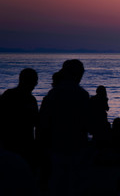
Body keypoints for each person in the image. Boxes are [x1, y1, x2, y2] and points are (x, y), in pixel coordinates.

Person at [38, 59, 90, 196]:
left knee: (57, 185)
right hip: (76, 148)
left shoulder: (53, 94)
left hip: (56, 147)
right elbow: (88, 123)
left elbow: (42, 123)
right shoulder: (82, 95)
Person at [0, 68, 38, 168]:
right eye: (34, 81)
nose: (35, 84)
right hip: (16, 144)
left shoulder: (9, 95)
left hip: (16, 143)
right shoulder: (29, 99)